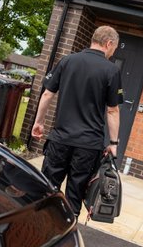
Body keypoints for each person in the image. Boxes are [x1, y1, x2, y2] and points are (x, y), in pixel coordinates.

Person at [31, 25, 122, 215]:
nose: (113, 52)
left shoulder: (67, 61)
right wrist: (113, 143)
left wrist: (38, 122)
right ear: (109, 43)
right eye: (114, 48)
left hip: (60, 140)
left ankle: (41, 230)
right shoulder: (111, 70)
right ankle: (66, 236)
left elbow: (48, 93)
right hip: (88, 146)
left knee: (47, 190)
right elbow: (112, 110)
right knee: (74, 195)